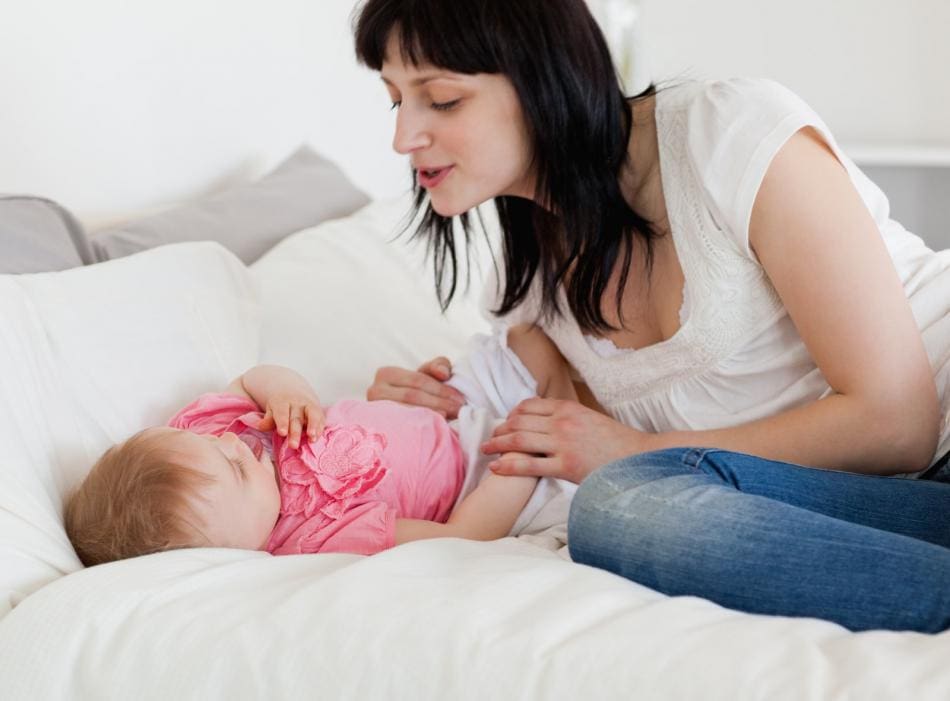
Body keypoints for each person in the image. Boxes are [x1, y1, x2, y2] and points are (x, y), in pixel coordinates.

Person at [354, 0, 950, 632]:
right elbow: (547, 437)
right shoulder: (530, 288)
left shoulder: (727, 134)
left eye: (442, 100)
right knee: (619, 511)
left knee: (625, 491)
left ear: (544, 75)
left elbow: (897, 423)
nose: (403, 139)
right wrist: (427, 410)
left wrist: (640, 449)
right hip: (890, 504)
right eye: (396, 100)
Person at [64, 325, 582, 566]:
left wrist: (289, 391)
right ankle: (558, 418)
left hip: (444, 411)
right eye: (238, 472)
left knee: (526, 336)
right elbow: (464, 533)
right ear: (238, 551)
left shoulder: (213, 436)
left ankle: (560, 396)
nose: (237, 445)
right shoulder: (314, 539)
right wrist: (519, 459)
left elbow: (251, 380)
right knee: (567, 479)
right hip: (479, 472)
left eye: (212, 443)